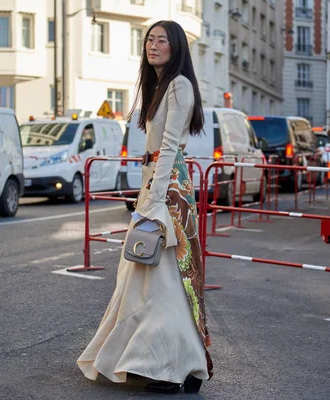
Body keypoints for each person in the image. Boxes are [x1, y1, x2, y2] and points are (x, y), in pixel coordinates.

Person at [77, 20, 213, 394]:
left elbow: (170, 147)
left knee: (165, 278)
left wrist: (153, 200)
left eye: (161, 40)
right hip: (158, 182)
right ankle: (175, 365)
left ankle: (172, 367)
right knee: (153, 277)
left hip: (167, 188)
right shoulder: (161, 86)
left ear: (176, 48)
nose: (152, 46)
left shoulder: (180, 86)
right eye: (148, 40)